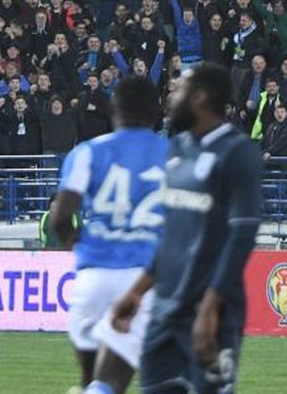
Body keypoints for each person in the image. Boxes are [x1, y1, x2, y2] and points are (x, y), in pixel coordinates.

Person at [106, 63, 262, 394]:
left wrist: (210, 308)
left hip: (212, 318)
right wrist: (136, 292)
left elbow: (242, 235)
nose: (171, 93)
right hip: (164, 316)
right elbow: (168, 234)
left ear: (201, 97)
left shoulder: (238, 152)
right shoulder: (176, 149)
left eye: (179, 88)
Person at [49, 76, 170, 394]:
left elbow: (60, 217)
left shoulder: (87, 153)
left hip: (92, 278)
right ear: (157, 112)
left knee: (92, 383)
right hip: (142, 280)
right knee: (109, 385)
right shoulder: (176, 155)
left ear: (113, 110)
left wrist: (77, 244)